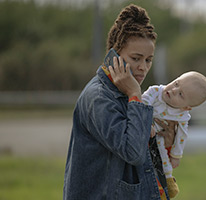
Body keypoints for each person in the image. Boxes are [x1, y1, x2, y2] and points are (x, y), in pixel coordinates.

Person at [63, 4, 176, 200]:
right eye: (135, 58)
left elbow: (141, 161)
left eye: (148, 60)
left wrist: (163, 143)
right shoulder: (99, 97)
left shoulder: (127, 93)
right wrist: (134, 94)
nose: (143, 67)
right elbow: (132, 152)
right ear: (114, 56)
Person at [142, 71, 206, 198]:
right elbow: (143, 102)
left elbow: (181, 136)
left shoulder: (182, 115)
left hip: (158, 138)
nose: (174, 90)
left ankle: (168, 180)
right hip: (144, 128)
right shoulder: (156, 91)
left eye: (180, 94)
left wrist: (176, 155)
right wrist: (147, 122)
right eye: (176, 83)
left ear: (186, 107)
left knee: (162, 153)